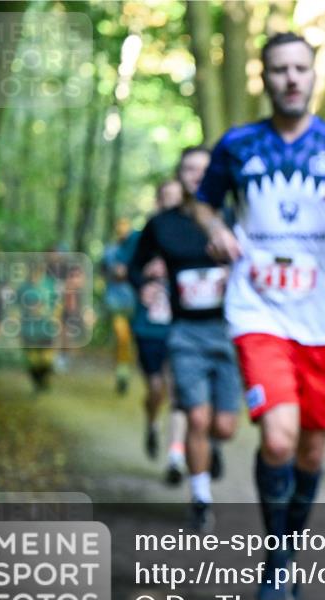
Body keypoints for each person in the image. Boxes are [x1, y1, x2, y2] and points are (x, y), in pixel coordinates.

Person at [194, 32, 325, 600]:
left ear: (314, 76)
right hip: (258, 308)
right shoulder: (236, 145)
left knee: (312, 451)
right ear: (264, 78)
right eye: (279, 69)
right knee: (280, 438)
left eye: (300, 69)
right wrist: (214, 230)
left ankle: (287, 552)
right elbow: (205, 201)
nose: (291, 78)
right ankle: (276, 562)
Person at [130, 147, 241, 531]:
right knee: (195, 415)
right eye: (189, 169)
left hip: (230, 331)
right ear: (179, 176)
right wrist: (144, 283)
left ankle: (210, 447)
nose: (196, 175)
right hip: (185, 332)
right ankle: (200, 496)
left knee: (223, 427)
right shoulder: (161, 224)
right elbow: (135, 265)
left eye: (204, 169)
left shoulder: (235, 217)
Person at [127, 179, 187, 472]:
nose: (172, 205)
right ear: (157, 202)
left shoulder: (192, 233)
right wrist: (143, 281)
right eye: (167, 199)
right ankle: (152, 423)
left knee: (178, 392)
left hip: (181, 328)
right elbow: (128, 270)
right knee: (155, 389)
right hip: (148, 327)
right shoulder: (143, 237)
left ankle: (175, 456)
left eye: (178, 199)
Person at [101, 219, 138, 394]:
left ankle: (125, 369)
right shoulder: (110, 251)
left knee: (131, 339)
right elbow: (105, 271)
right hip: (116, 302)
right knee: (122, 337)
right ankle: (122, 372)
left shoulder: (137, 250)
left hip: (136, 303)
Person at [18, 259, 61, 392]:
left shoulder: (50, 284)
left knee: (46, 357)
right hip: (28, 329)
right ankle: (37, 382)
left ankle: (45, 379)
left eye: (39, 272)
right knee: (32, 358)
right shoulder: (23, 288)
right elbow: (15, 307)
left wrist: (55, 317)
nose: (36, 275)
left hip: (46, 328)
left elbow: (58, 303)